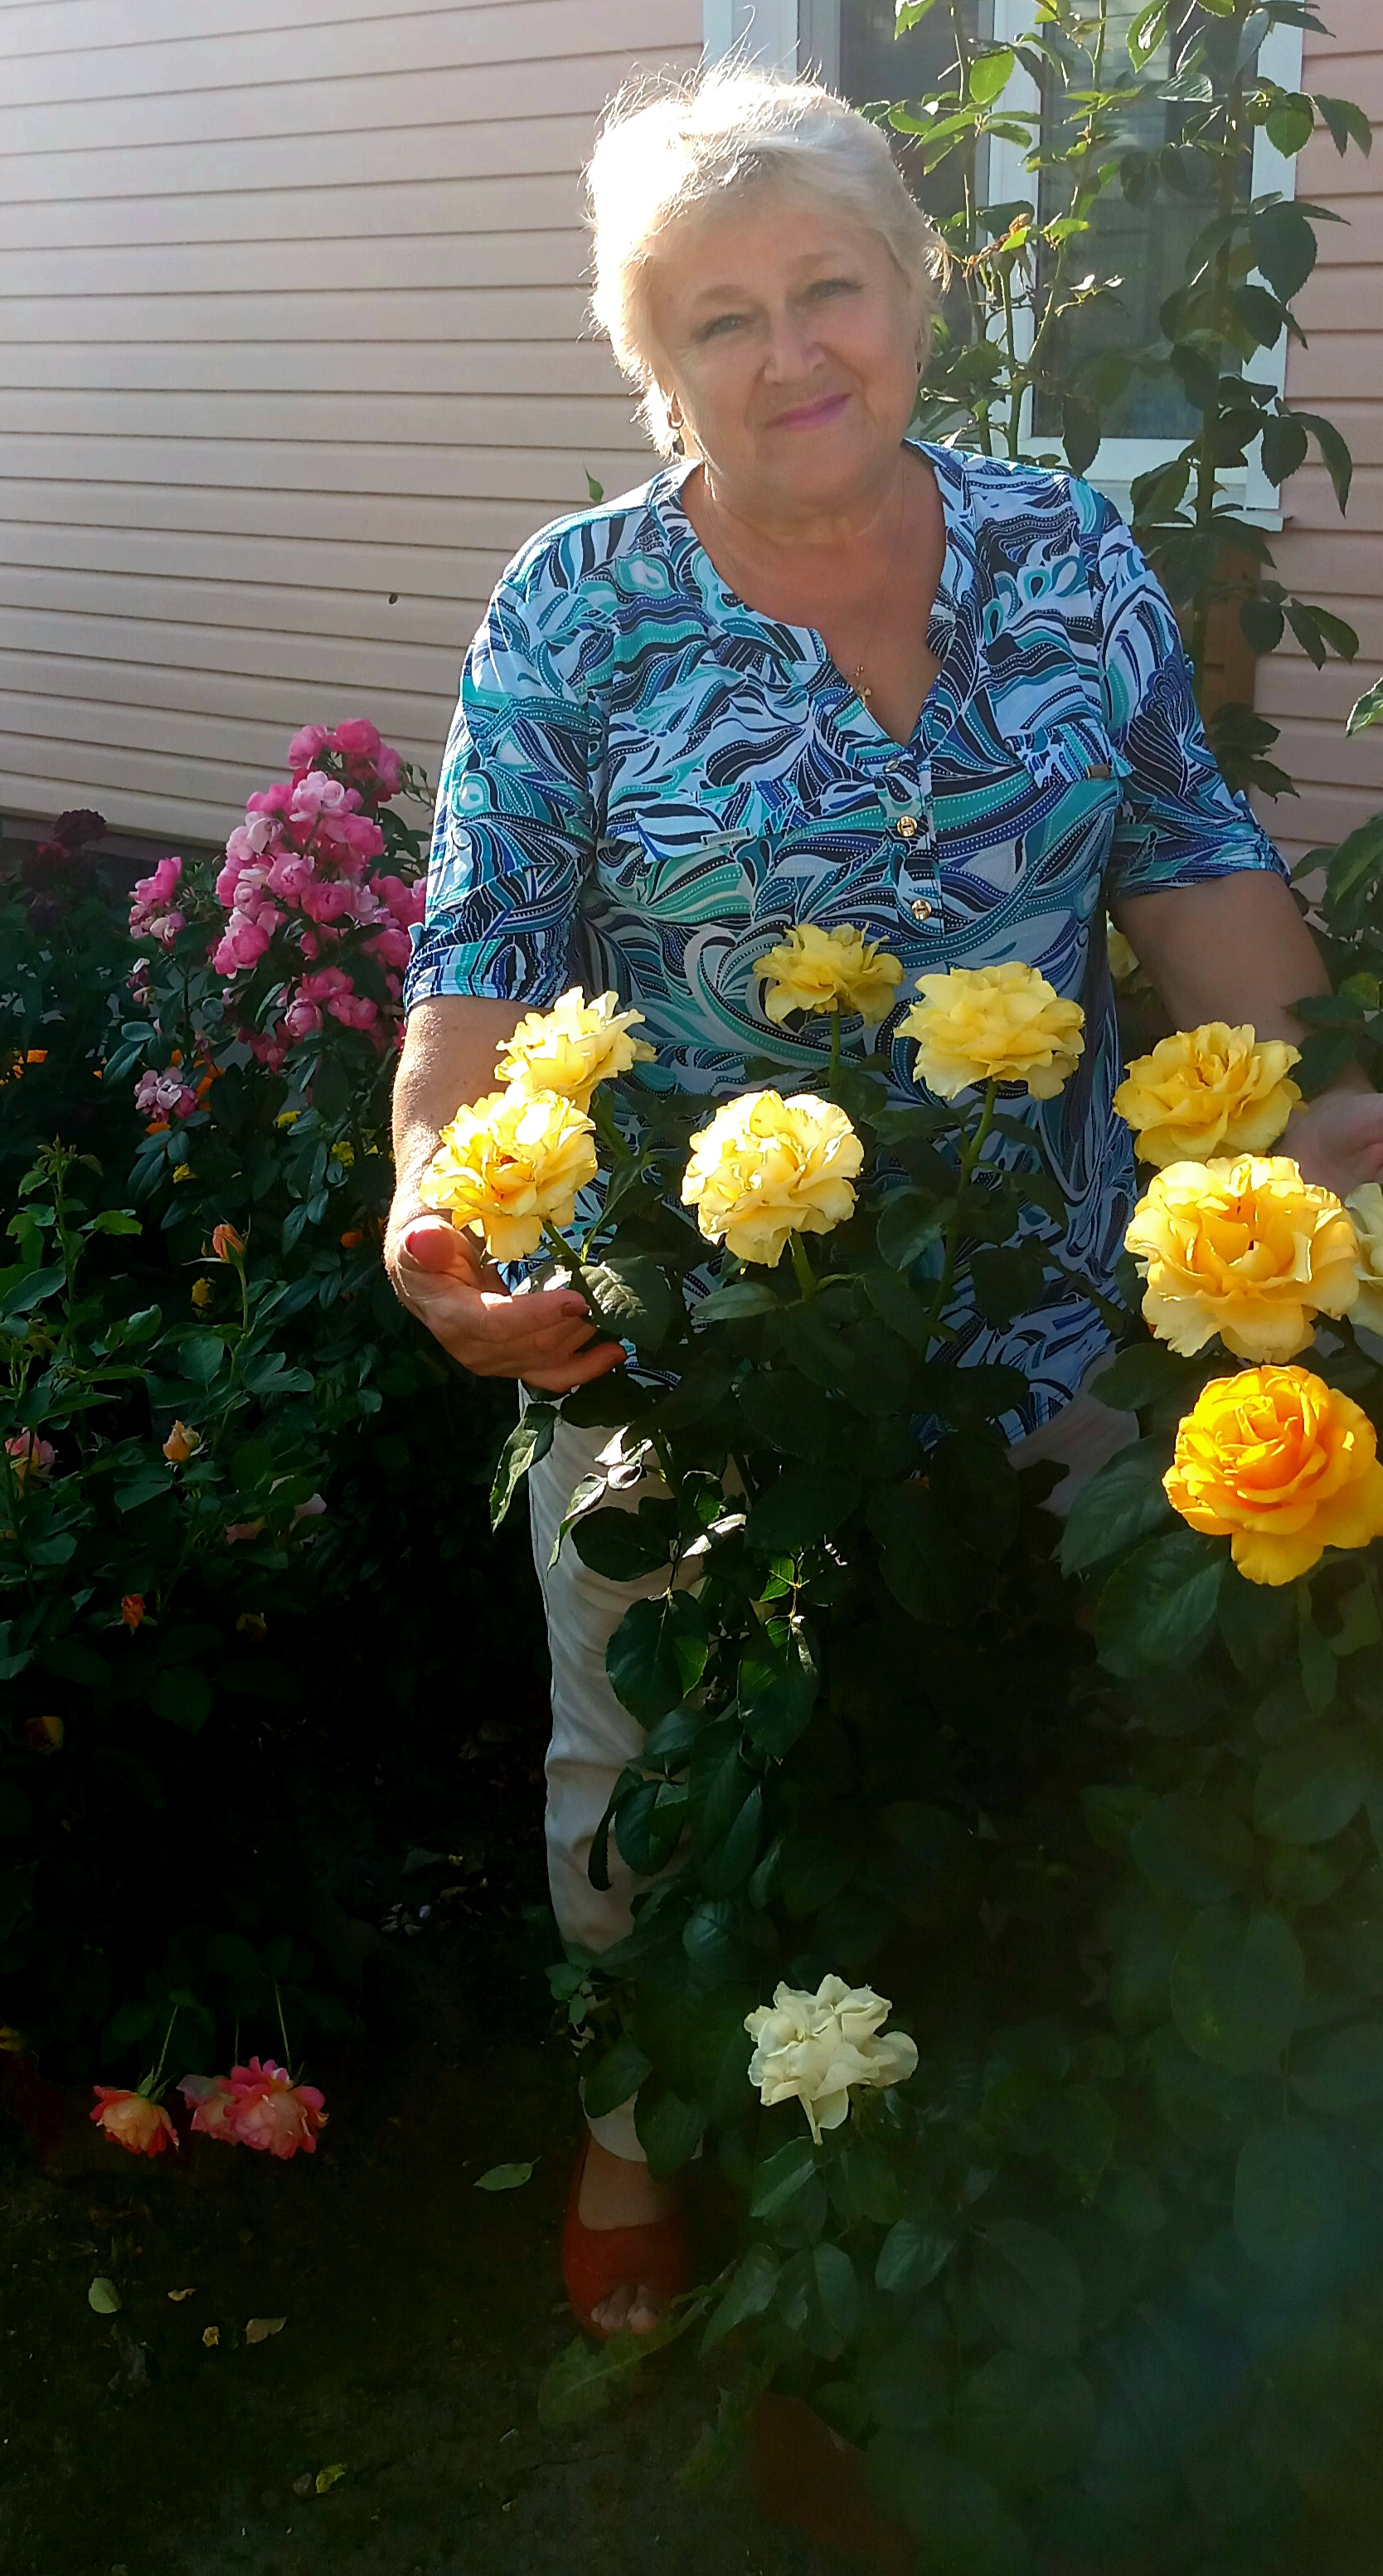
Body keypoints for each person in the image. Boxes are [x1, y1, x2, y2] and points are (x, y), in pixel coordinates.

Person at [386, 65, 1383, 2340]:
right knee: (644, 1732)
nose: (792, 351)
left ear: (919, 296)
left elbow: (1188, 855)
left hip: (1056, 1291)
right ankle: (635, 2121)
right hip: (690, 1331)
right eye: (719, 317)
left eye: (828, 287)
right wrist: (440, 1214)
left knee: (1058, 1697)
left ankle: (991, 2099)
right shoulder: (576, 613)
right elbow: (479, 961)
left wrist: (1327, 1120)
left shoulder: (1070, 556)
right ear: (654, 361)